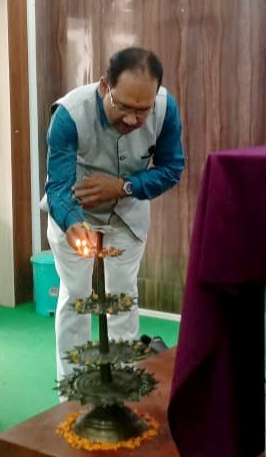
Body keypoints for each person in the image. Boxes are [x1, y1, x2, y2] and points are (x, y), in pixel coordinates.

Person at [43, 46, 184, 387]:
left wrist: (122, 187)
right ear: (105, 86)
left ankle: (122, 388)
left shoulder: (166, 108)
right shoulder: (69, 114)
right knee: (76, 297)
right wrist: (72, 223)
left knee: (123, 298)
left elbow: (171, 169)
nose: (133, 120)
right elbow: (58, 186)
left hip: (127, 214)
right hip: (73, 211)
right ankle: (72, 392)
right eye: (124, 107)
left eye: (142, 110)